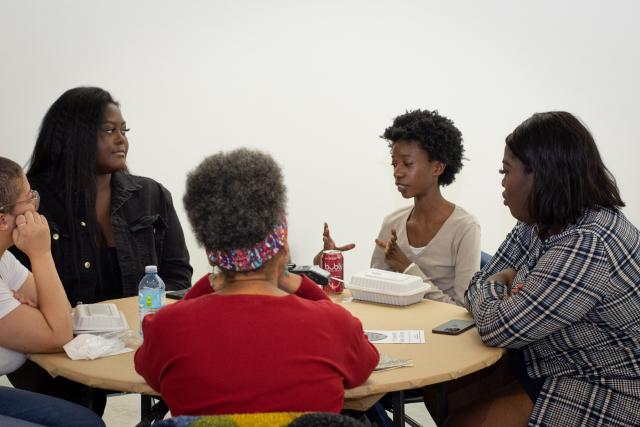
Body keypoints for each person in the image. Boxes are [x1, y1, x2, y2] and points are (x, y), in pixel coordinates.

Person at [135, 148, 379, 416]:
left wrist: (211, 281)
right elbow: (363, 365)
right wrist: (297, 282)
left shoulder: (166, 327)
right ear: (282, 246)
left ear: (210, 250)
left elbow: (149, 369)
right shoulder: (332, 324)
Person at [8, 86, 193, 414]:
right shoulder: (33, 203)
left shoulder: (152, 196)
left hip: (136, 343)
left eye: (124, 130)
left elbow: (177, 280)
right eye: (109, 130)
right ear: (74, 137)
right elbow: (20, 293)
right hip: (56, 353)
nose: (121, 139)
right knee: (78, 415)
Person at [458, 111, 640, 426]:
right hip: (552, 360)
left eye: (506, 171)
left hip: (606, 383)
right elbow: (476, 284)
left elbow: (498, 327)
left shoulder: (587, 242)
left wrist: (496, 286)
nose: (502, 183)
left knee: (465, 420)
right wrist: (500, 282)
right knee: (446, 394)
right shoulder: (538, 222)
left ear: (540, 174)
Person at [317, 109, 480, 305]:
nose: (397, 172)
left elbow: (463, 310)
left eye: (407, 164)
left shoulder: (465, 228)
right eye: (394, 164)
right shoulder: (392, 223)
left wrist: (407, 268)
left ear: (437, 167)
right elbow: (373, 291)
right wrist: (328, 261)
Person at [0, 157, 104, 427]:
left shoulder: (4, 260)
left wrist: (40, 315)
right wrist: (41, 253)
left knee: (86, 422)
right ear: (3, 220)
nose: (36, 202)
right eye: (28, 196)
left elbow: (60, 314)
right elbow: (60, 334)